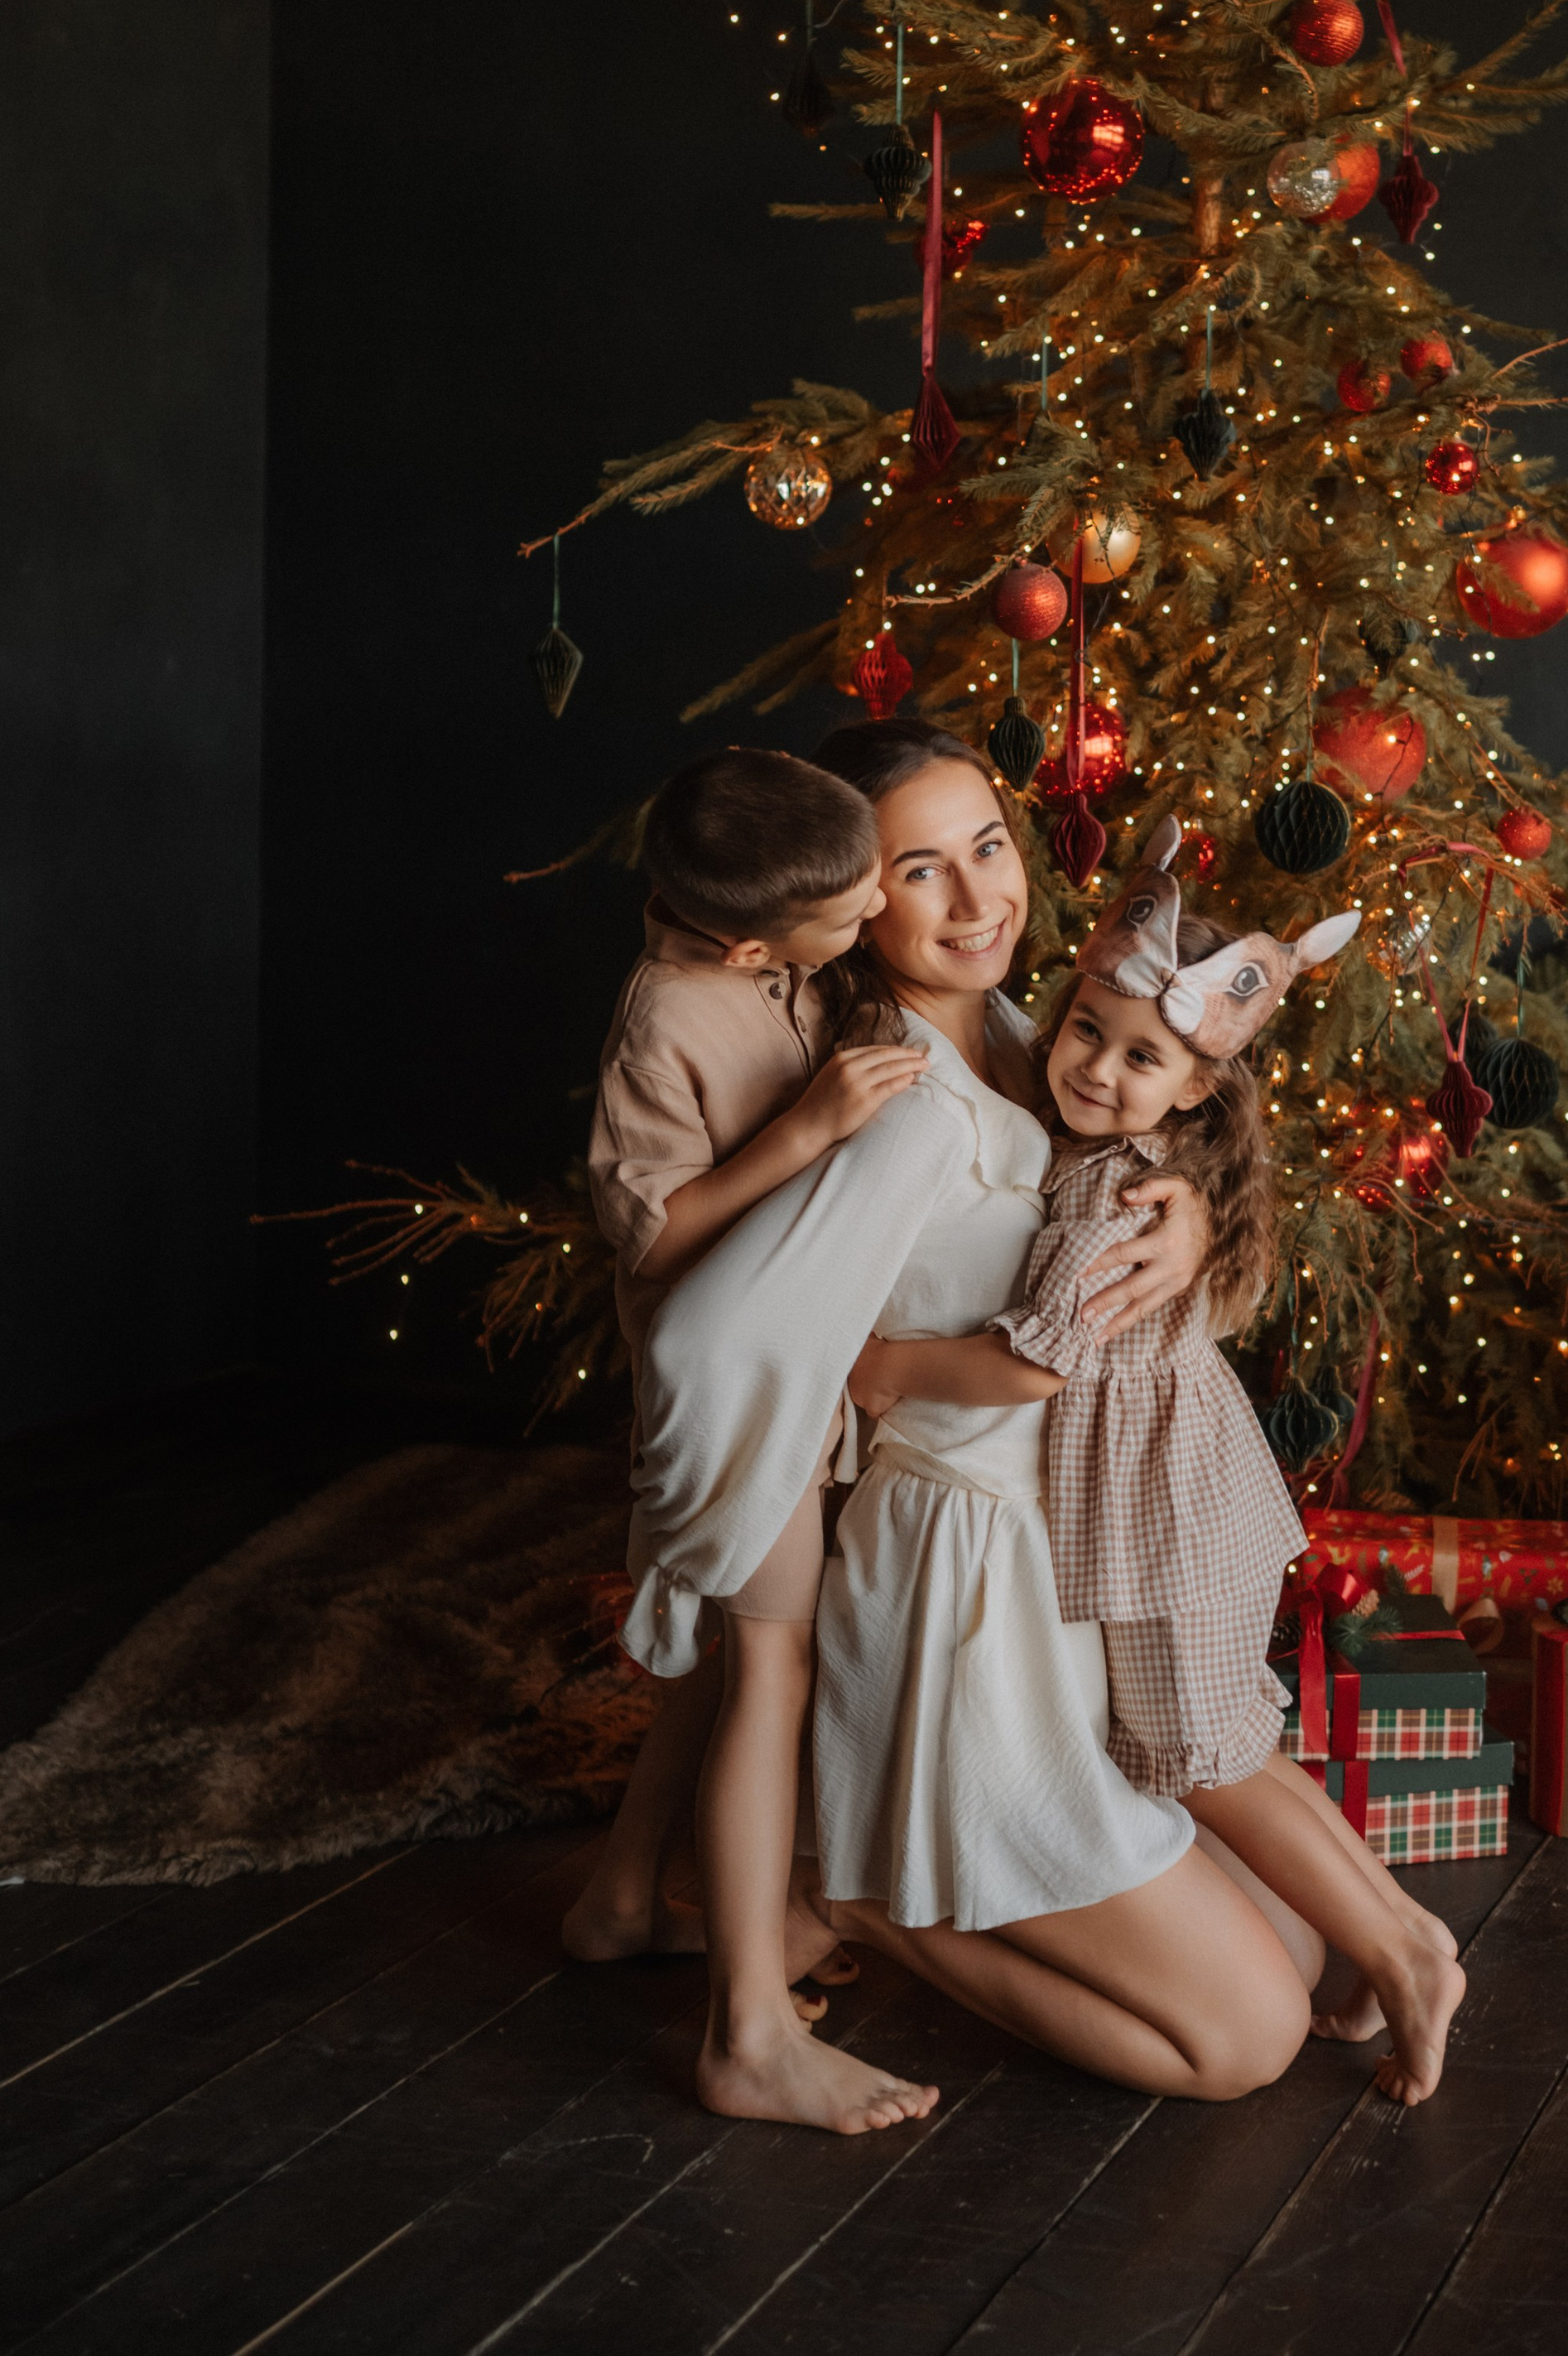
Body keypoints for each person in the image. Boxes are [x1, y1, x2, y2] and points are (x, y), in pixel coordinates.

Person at [628, 715, 1325, 2111]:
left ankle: (830, 1888)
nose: (977, 898)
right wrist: (815, 1420)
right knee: (1250, 2039)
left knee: (1301, 1954)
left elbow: (1126, 1219)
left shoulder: (1029, 1033)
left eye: (990, 848)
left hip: (1056, 1555)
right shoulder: (906, 1105)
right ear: (848, 905)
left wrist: (1188, 1225)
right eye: (921, 871)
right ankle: (870, 1903)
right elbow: (720, 1324)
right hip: (964, 1578)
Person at [849, 813, 1467, 2103]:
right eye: (1086, 1034)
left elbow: (1033, 1364)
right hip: (1182, 1503)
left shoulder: (1106, 1200)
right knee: (1230, 1741)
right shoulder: (1135, 1155)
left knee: (1213, 1753)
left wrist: (889, 1370)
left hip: (1155, 1517)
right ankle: (1379, 1947)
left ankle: (1403, 1943)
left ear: (1194, 1089)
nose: (1096, 1071)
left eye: (1143, 1060)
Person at [564, 746, 928, 2115]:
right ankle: (748, 2040)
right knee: (771, 1664)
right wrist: (807, 1131)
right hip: (729, 1377)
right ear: (744, 939)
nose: (875, 913)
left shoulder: (783, 960)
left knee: (725, 1660)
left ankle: (613, 1900)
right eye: (850, 912)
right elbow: (652, 1238)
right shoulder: (664, 1019)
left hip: (805, 1343)